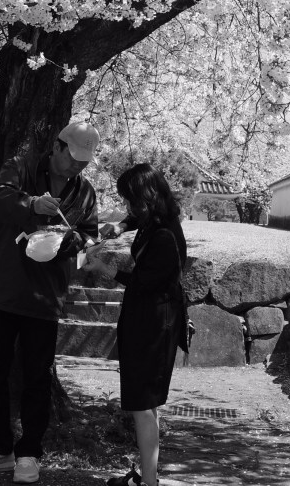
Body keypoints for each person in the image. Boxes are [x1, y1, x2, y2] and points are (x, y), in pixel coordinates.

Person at [0, 121, 100, 484]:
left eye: (84, 162)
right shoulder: (21, 168)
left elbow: (89, 236)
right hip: (1, 288)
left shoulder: (85, 192)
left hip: (45, 297)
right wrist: (32, 204)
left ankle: (29, 454)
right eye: (73, 158)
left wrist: (68, 242)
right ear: (57, 146)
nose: (77, 166)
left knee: (37, 378)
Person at [82, 163, 188, 486]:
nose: (128, 206)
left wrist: (104, 268)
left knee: (143, 406)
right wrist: (120, 226)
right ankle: (148, 477)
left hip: (154, 325)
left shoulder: (164, 238)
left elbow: (142, 283)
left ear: (146, 197)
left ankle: (149, 483)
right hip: (151, 318)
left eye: (130, 200)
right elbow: (139, 219)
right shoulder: (160, 219)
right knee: (147, 405)